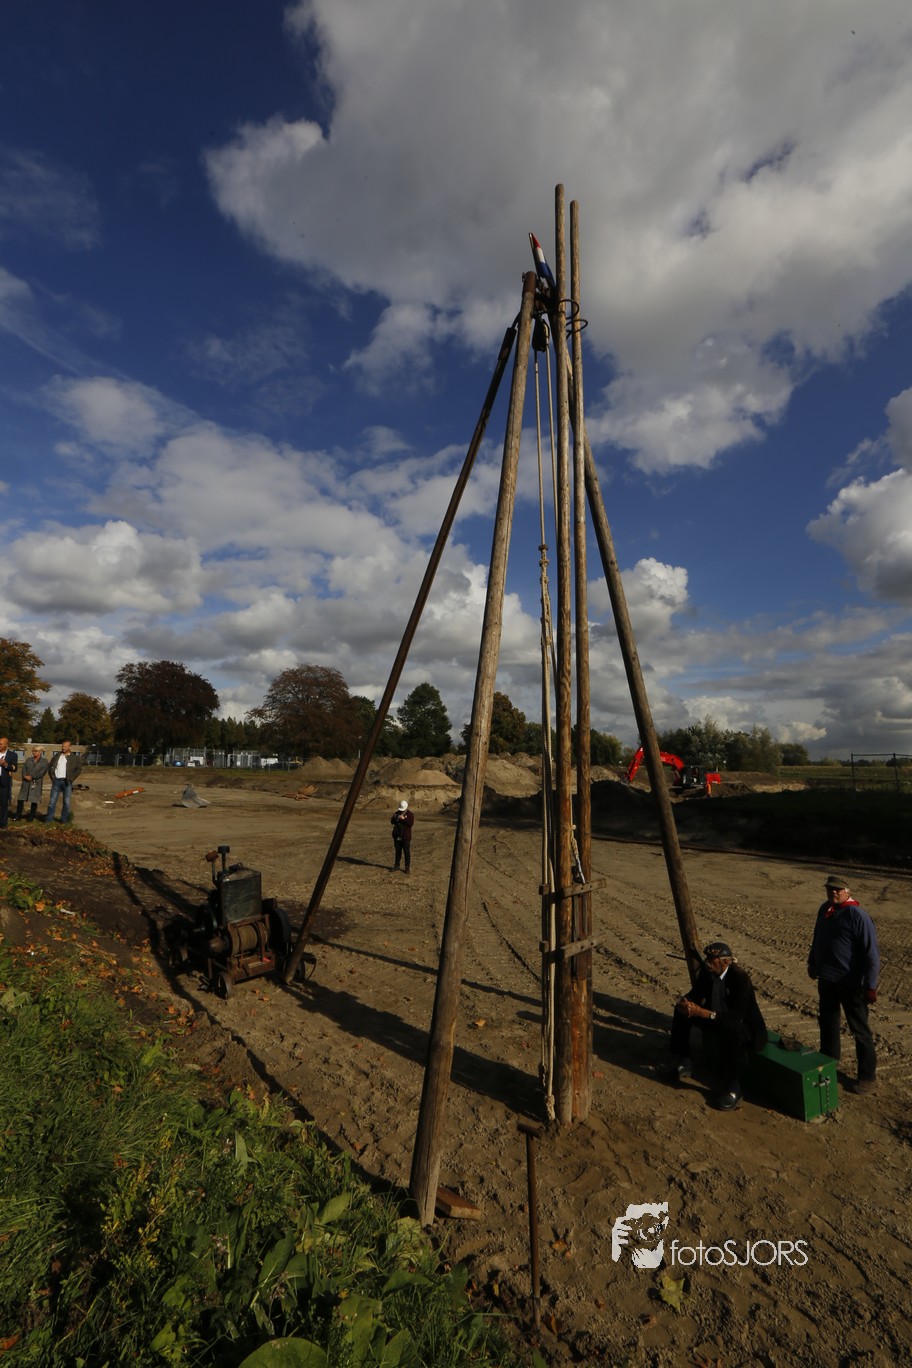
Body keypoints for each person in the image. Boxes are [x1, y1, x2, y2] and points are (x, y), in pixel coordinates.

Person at [666, 941, 768, 1111]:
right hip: (716, 1019)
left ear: (725, 962)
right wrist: (686, 1002)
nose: (707, 962)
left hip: (745, 1028)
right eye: (707, 958)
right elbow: (696, 993)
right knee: (681, 1012)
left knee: (731, 1029)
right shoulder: (707, 973)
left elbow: (737, 1016)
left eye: (711, 960)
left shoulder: (740, 978)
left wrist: (704, 1013)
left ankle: (734, 1087)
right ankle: (683, 1060)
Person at [808, 874, 880, 1095]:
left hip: (851, 984)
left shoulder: (857, 915)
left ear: (847, 891)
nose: (833, 892)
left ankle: (867, 1077)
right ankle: (828, 1063)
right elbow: (817, 937)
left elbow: (871, 954)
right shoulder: (825, 909)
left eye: (838, 889)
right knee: (828, 1023)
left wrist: (871, 985)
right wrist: (812, 962)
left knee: (860, 1031)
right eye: (830, 889)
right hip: (827, 979)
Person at [44, 741, 84, 824]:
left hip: (67, 782)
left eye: (65, 746)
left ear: (70, 747)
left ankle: (64, 820)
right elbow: (50, 767)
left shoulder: (75, 758)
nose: (63, 748)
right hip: (56, 781)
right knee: (52, 802)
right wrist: (53, 777)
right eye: (62, 746)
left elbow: (79, 769)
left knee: (66, 802)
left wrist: (71, 778)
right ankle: (49, 819)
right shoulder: (57, 756)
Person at [15, 746, 48, 821]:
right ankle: (18, 815)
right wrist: (24, 776)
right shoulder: (29, 760)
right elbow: (24, 769)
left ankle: (31, 816)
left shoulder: (44, 761)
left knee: (34, 800)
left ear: (40, 752)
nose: (34, 752)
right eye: (33, 751)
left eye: (35, 751)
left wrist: (32, 777)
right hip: (26, 782)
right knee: (21, 799)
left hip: (36, 783)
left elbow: (42, 772)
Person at [390, 798, 414, 872]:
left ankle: (407, 867)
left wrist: (404, 819)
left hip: (406, 837)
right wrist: (395, 818)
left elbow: (410, 824)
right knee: (398, 852)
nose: (401, 811)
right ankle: (396, 866)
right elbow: (392, 822)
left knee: (406, 852)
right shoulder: (397, 813)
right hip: (397, 836)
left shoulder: (410, 814)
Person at [0, 739, 18, 829]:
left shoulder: (12, 755)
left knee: (4, 803)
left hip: (4, 782)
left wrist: (5, 764)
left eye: (0, 744)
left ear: (6, 745)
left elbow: (14, 768)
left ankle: (3, 823)